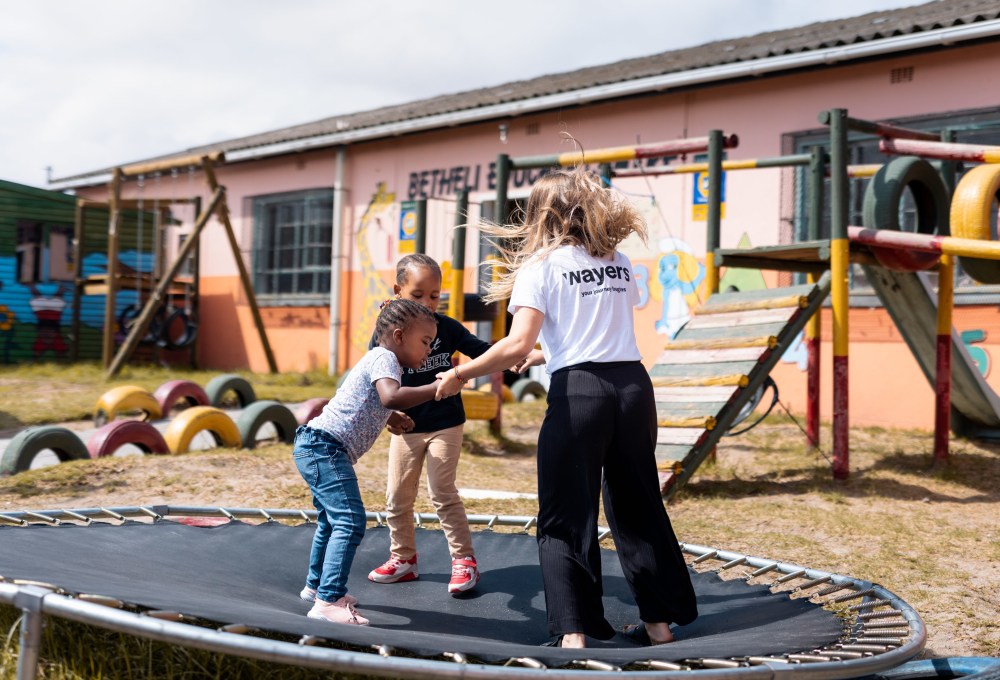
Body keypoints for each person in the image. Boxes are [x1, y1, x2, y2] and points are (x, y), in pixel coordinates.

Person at [435, 168, 698, 648]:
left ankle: (573, 634)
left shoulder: (542, 265)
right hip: (634, 388)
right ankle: (660, 625)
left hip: (581, 393)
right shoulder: (615, 259)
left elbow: (517, 345)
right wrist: (545, 353)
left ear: (540, 215)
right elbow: (594, 332)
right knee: (638, 505)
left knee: (563, 515)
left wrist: (459, 374)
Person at [294, 297, 438, 625]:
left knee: (331, 522)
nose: (428, 350)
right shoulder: (386, 358)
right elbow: (388, 395)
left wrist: (391, 417)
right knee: (349, 520)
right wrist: (435, 389)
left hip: (315, 445)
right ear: (399, 336)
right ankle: (328, 602)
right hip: (325, 448)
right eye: (425, 342)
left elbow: (365, 400)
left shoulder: (379, 359)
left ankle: (317, 588)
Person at [367, 253, 491, 595]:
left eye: (435, 295)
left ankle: (464, 561)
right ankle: (403, 559)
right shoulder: (386, 334)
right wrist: (389, 414)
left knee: (442, 492)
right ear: (398, 290)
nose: (428, 302)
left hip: (445, 424)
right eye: (418, 295)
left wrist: (516, 356)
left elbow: (482, 351)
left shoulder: (446, 328)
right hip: (407, 428)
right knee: (397, 496)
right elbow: (373, 379)